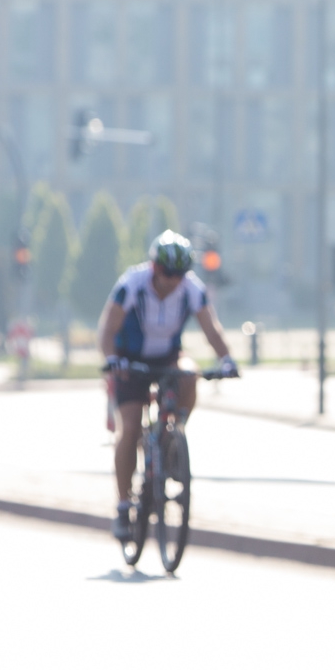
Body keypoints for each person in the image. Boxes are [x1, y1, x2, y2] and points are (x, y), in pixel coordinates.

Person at [98, 230, 239, 541]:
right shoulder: (131, 284)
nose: (171, 280)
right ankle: (123, 505)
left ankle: (173, 439)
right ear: (153, 267)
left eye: (178, 274)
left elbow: (211, 329)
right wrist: (111, 359)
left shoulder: (191, 289)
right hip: (129, 362)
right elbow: (108, 328)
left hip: (166, 358)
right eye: (165, 273)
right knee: (131, 426)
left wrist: (227, 359)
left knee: (190, 374)